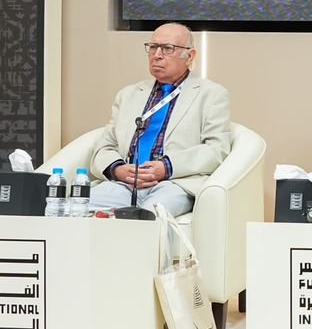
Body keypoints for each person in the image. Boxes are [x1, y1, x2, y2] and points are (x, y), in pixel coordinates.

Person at [90, 22, 232, 217]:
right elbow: (104, 147)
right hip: (125, 184)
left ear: (190, 56)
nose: (157, 55)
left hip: (173, 183)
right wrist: (118, 169)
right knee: (74, 207)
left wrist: (166, 167)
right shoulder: (129, 94)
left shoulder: (211, 94)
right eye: (153, 47)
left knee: (149, 216)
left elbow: (217, 150)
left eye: (167, 48)